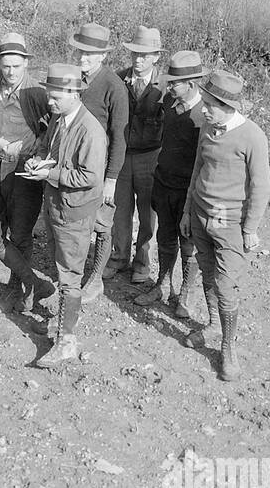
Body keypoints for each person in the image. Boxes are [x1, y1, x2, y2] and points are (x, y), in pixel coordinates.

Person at [179, 69, 270, 381]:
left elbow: (262, 187)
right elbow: (197, 169)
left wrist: (250, 229)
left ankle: (228, 347)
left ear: (228, 107)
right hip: (201, 215)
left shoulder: (252, 137)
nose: (203, 109)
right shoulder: (208, 127)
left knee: (226, 285)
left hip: (231, 221)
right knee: (207, 272)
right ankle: (213, 323)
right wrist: (188, 212)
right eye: (203, 102)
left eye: (209, 104)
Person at [21, 64, 108, 368]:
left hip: (74, 212)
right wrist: (39, 161)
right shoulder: (61, 120)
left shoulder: (91, 131)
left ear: (74, 94)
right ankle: (58, 323)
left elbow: (90, 176)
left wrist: (51, 172)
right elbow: (50, 148)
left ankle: (67, 341)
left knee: (70, 276)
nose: (50, 102)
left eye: (56, 97)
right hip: (57, 206)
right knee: (60, 269)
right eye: (49, 95)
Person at [0, 33, 56, 315]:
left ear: (26, 64)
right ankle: (34, 283)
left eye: (16, 66)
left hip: (24, 171)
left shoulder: (37, 93)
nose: (10, 72)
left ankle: (13, 290)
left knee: (20, 235)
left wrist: (36, 154)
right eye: (6, 66)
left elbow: (52, 133)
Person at [139, 50, 208, 318]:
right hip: (163, 184)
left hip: (188, 192)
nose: (170, 87)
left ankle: (187, 294)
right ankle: (162, 285)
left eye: (175, 83)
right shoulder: (169, 102)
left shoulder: (204, 115)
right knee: (165, 238)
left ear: (190, 84)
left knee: (188, 244)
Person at [69, 22, 129, 303]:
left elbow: (120, 136)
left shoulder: (113, 86)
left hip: (100, 167)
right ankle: (74, 272)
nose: (83, 58)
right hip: (73, 164)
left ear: (103, 56)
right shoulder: (73, 79)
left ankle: (95, 280)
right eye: (80, 51)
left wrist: (111, 178)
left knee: (102, 224)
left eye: (90, 54)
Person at [107, 26, 166, 285]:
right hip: (122, 155)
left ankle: (142, 263)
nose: (138, 60)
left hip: (150, 158)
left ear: (156, 57)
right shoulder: (119, 80)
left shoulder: (164, 86)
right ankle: (119, 257)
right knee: (119, 210)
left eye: (145, 55)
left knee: (146, 213)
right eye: (135, 54)